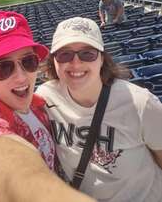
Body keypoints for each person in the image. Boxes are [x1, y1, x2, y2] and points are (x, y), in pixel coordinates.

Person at [0, 11, 95, 202]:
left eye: (28, 61)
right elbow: (0, 151)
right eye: (3, 67)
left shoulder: (39, 104)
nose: (22, 77)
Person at [36, 16, 162, 202]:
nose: (76, 63)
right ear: (54, 61)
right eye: (65, 55)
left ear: (102, 58)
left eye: (87, 53)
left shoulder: (141, 103)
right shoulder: (45, 97)